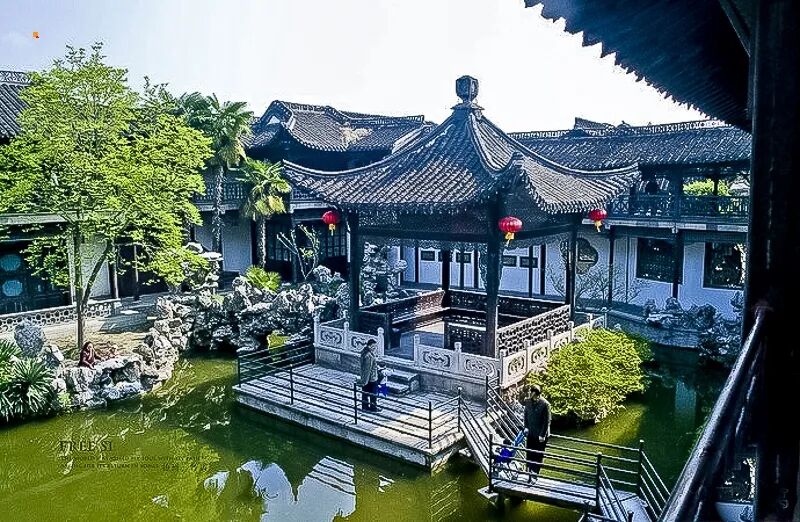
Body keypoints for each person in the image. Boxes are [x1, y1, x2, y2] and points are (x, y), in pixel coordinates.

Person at [523, 384, 551, 483]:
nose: (528, 393)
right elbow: (525, 415)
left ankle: (535, 475)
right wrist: (526, 427)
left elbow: (546, 421)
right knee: (530, 453)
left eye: (530, 391)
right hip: (531, 433)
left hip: (540, 435)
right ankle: (529, 473)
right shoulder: (528, 401)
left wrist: (542, 435)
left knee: (538, 455)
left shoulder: (545, 404)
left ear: (534, 393)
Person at [358, 339, 381, 412]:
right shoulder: (369, 356)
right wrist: (365, 381)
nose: (374, 348)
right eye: (373, 346)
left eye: (375, 346)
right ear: (369, 346)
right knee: (373, 394)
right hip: (371, 379)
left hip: (367, 378)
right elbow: (367, 369)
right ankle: (373, 408)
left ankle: (365, 407)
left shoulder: (365, 353)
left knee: (365, 393)